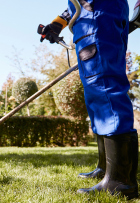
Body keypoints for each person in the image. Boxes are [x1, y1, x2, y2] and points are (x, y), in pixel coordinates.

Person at [39, 0, 139, 199]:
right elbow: (75, 5)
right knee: (95, 93)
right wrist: (58, 23)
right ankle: (106, 169)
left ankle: (120, 180)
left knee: (104, 86)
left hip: (98, 13)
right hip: (89, 16)